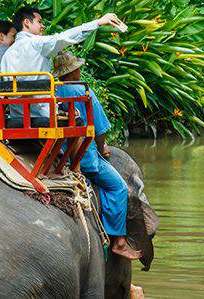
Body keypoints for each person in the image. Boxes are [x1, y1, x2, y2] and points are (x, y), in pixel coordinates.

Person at [53, 51, 141, 261]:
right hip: (83, 158)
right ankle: (119, 242)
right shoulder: (85, 92)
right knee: (117, 187)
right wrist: (102, 149)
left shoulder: (52, 91)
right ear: (75, 70)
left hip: (57, 154)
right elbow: (98, 128)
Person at [0, 7, 124, 122]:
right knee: (77, 118)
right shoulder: (36, 44)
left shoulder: (7, 54)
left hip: (18, 116)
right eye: (39, 22)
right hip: (41, 113)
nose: (43, 26)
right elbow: (63, 38)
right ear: (27, 22)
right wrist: (97, 23)